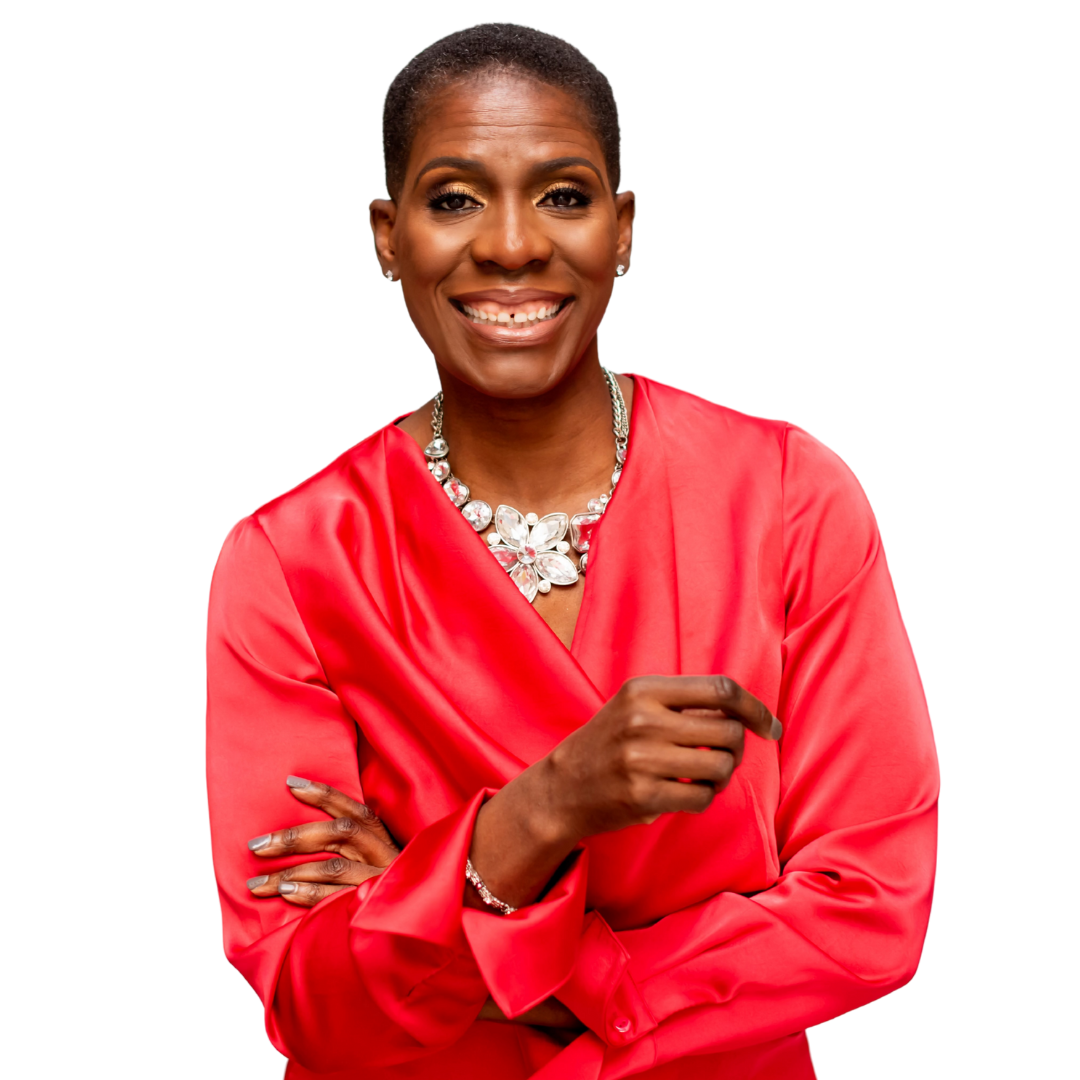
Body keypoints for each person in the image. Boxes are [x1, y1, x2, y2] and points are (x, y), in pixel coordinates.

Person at [204, 22, 939, 1080]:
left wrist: (471, 920)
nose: (510, 245)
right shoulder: (291, 560)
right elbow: (312, 1011)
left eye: (563, 195)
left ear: (624, 233)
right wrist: (543, 810)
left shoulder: (790, 499)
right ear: (384, 239)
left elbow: (867, 914)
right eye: (454, 197)